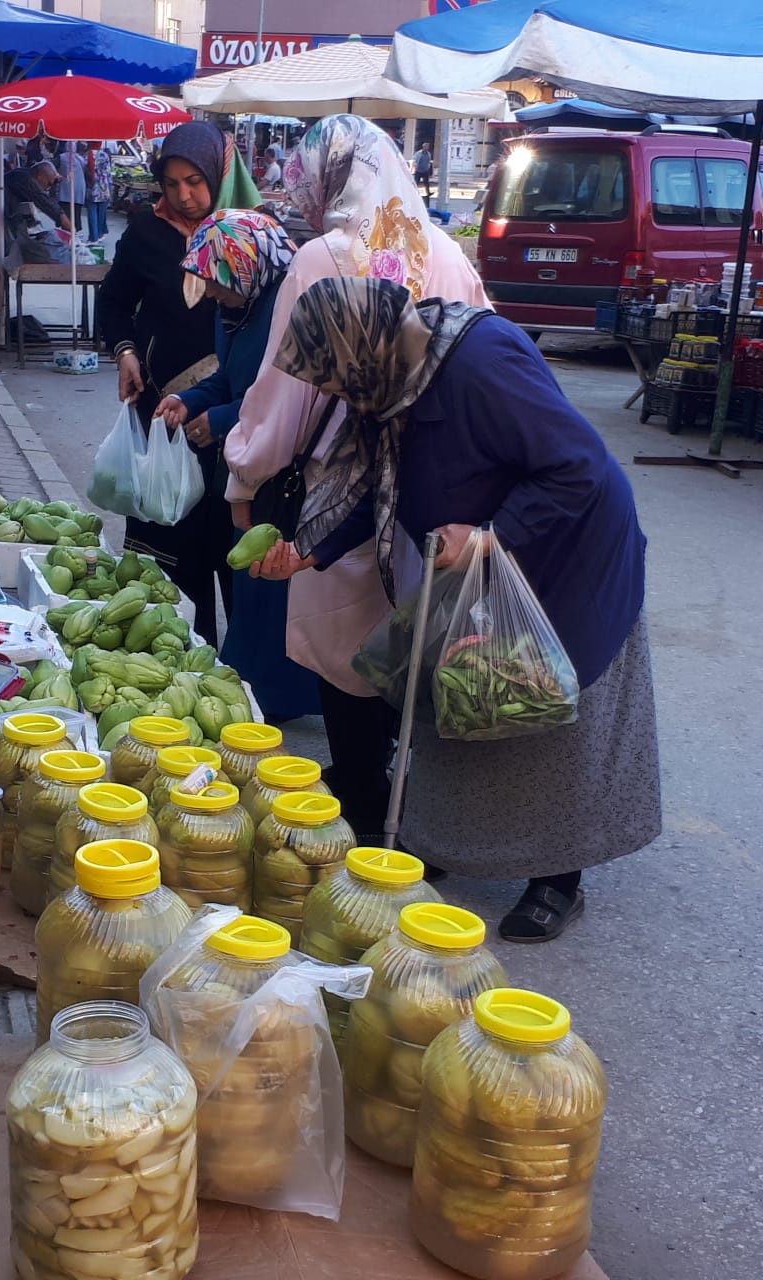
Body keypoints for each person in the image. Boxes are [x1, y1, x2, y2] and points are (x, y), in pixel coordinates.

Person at [254, 275, 662, 943]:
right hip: (475, 565)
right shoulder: (388, 373)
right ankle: (450, 845)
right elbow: (380, 484)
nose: (331, 393)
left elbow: (577, 466)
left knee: (546, 715)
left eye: (331, 378)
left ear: (359, 348)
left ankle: (557, 879)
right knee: (462, 700)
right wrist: (310, 549)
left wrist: (489, 531)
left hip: (564, 557)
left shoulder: (478, 364)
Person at [223, 114, 488, 838]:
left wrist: (244, 476)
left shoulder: (322, 256)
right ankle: (407, 805)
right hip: (434, 480)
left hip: (339, 485)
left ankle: (366, 813)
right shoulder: (444, 249)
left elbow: (284, 392)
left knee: (344, 649)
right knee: (413, 642)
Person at [96, 121, 262, 645]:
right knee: (169, 534)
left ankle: (245, 669)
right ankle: (171, 650)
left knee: (235, 542)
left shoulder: (254, 233)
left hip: (236, 414)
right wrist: (124, 353)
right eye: (171, 184)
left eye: (195, 181)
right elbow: (115, 302)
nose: (184, 196)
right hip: (164, 412)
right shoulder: (147, 232)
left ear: (219, 173)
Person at [152, 210, 319, 720]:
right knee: (251, 584)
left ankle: (268, 701)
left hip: (287, 469)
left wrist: (221, 420)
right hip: (247, 466)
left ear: (247, 270)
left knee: (274, 589)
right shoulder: (238, 311)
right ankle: (251, 690)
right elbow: (231, 378)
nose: (211, 294)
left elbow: (289, 397)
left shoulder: (284, 310)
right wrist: (189, 398)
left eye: (219, 283)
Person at [86, 141, 114, 243]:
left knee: (92, 212)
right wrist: (110, 186)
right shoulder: (105, 155)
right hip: (104, 187)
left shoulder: (88, 155)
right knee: (101, 214)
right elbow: (108, 172)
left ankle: (93, 237)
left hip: (92, 188)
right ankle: (100, 234)